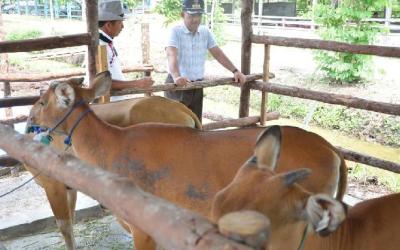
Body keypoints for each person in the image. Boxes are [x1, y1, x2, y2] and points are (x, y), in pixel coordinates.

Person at [165, 0, 246, 122]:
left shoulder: (205, 32)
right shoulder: (175, 31)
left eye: (199, 15)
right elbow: (172, 54)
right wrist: (177, 77)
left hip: (197, 86)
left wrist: (235, 71)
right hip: (177, 86)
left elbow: (218, 53)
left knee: (196, 126)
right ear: (182, 14)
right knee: (174, 127)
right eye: (191, 15)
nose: (196, 19)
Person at [98, 0, 153, 100]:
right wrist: (137, 83)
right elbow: (102, 83)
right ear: (109, 25)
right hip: (108, 107)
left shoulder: (106, 43)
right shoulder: (99, 46)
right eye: (120, 22)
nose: (122, 26)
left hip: (114, 102)